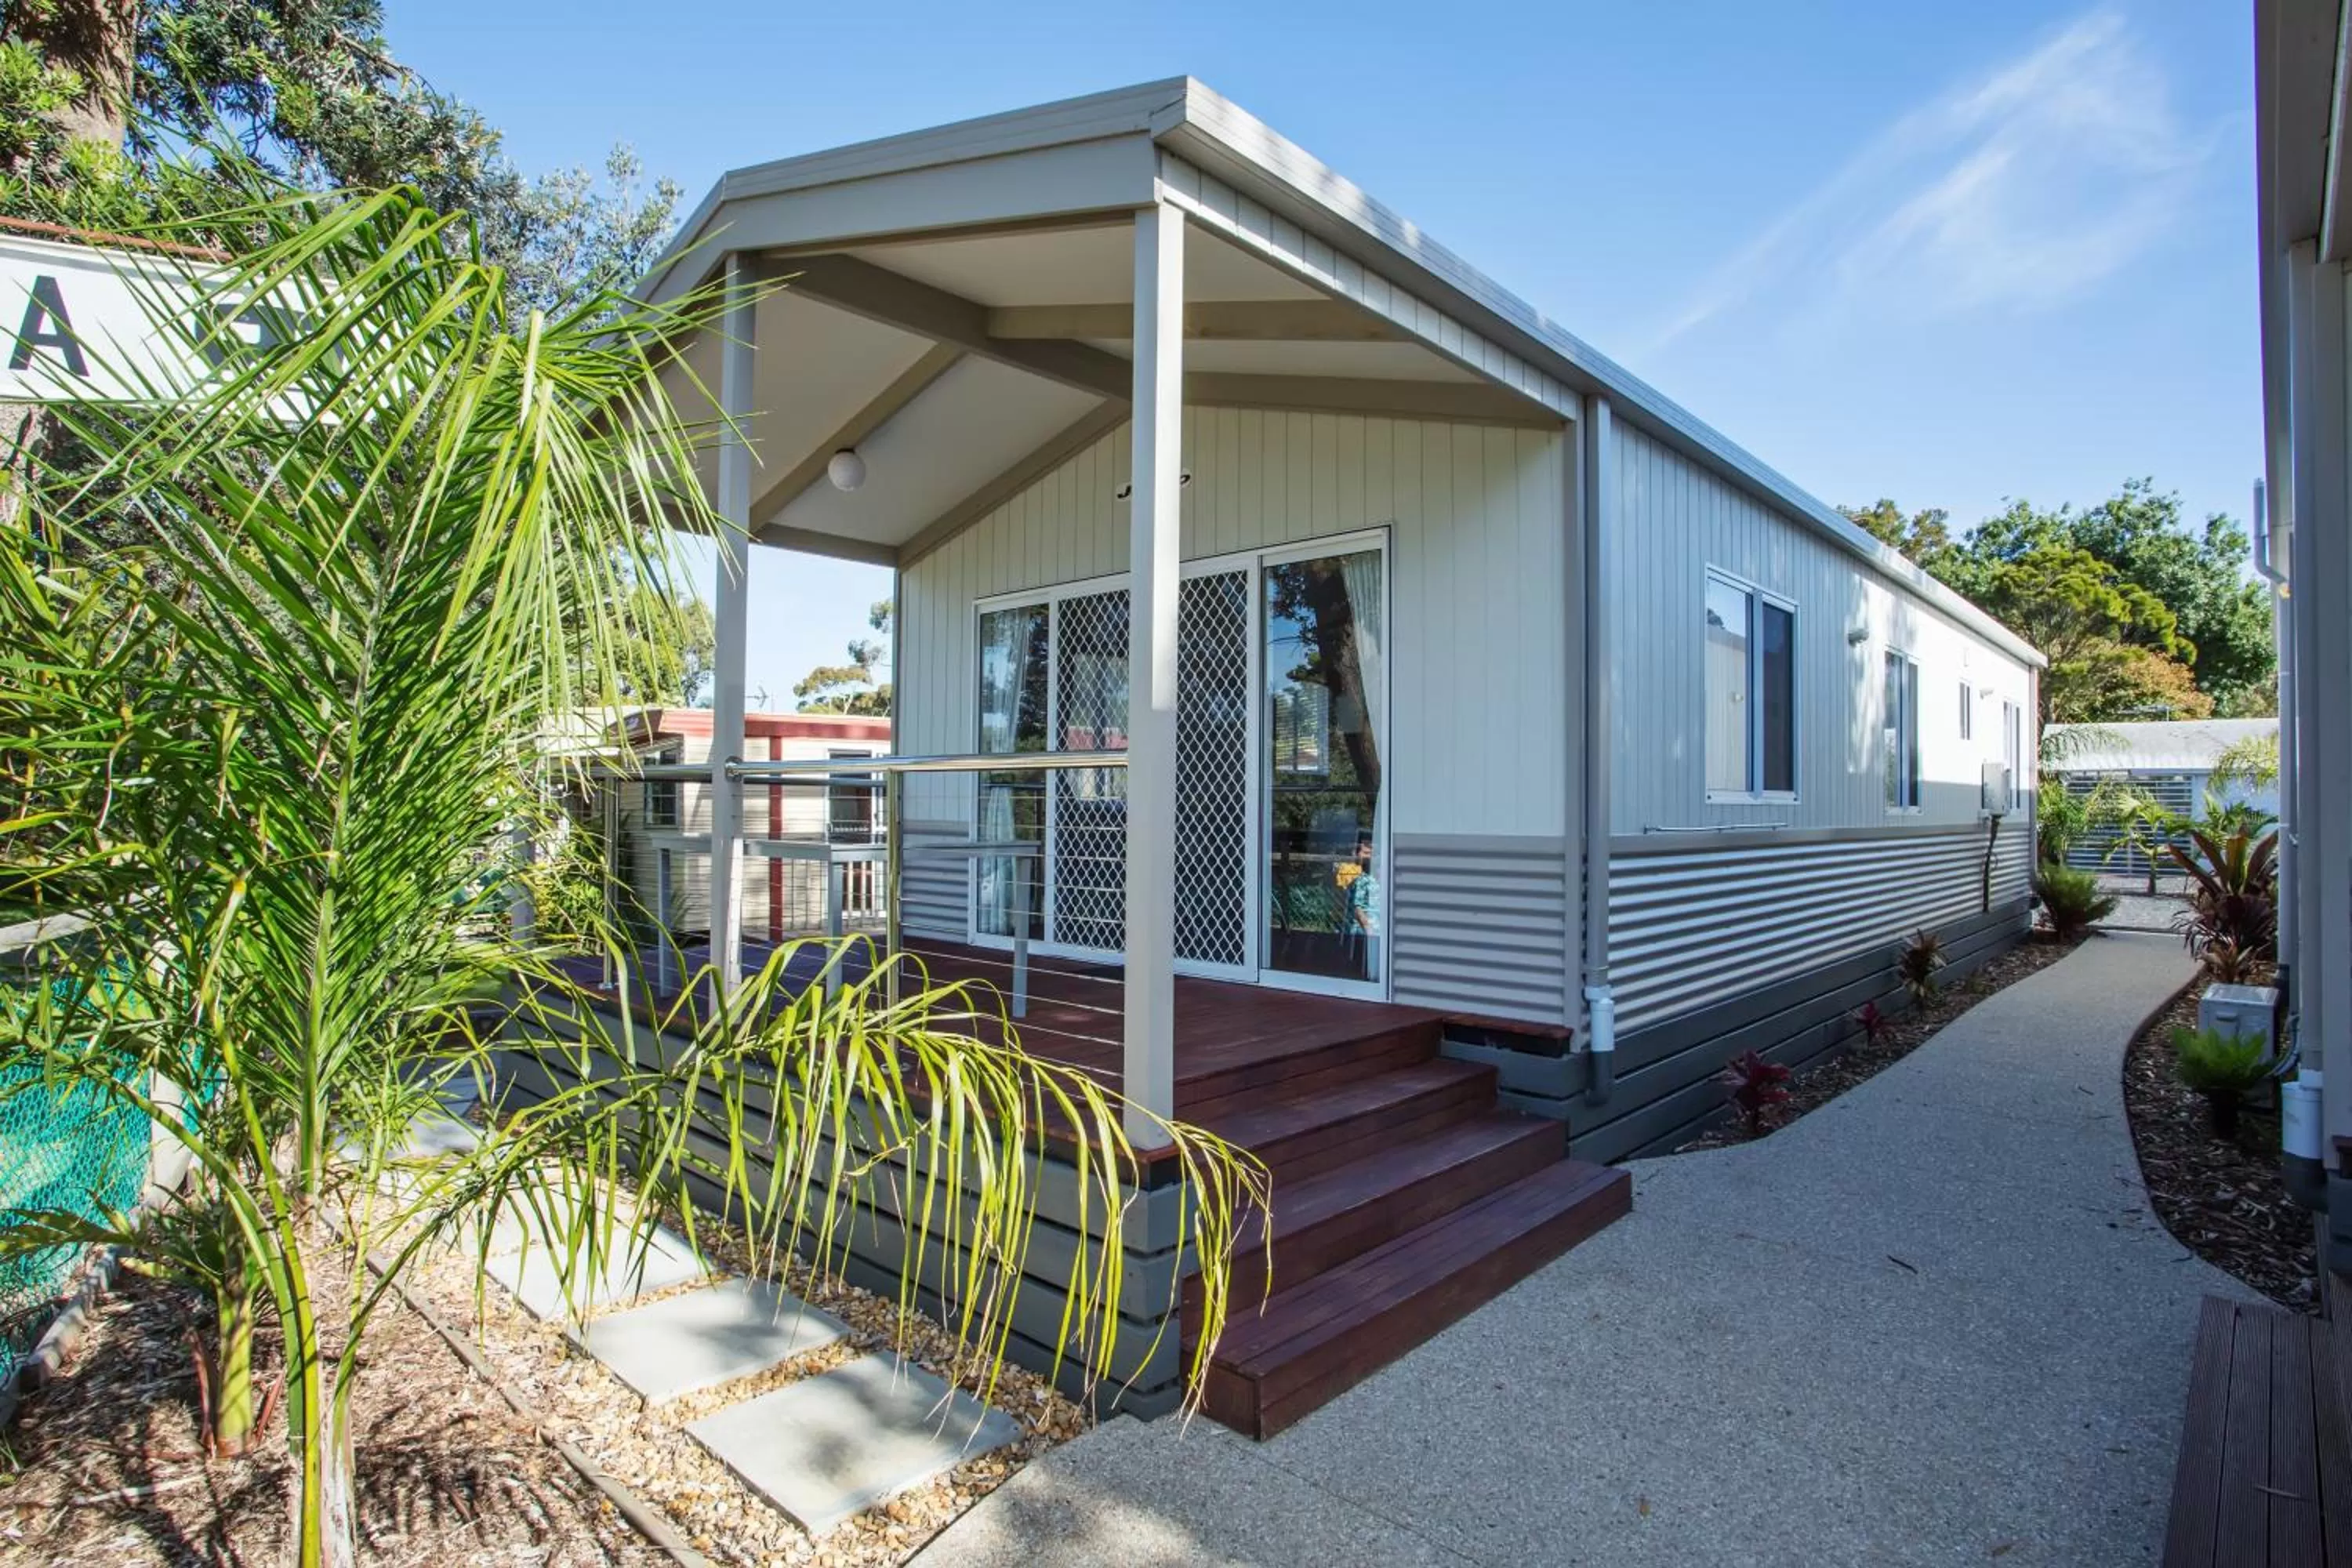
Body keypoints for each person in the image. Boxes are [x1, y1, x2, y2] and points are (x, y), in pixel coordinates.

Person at [1341, 834, 1381, 981]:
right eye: (1365, 853)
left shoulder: (1378, 876)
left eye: (1371, 853)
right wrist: (1369, 930)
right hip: (1366, 930)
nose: (1369, 857)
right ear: (1357, 854)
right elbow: (1358, 909)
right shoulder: (1360, 879)